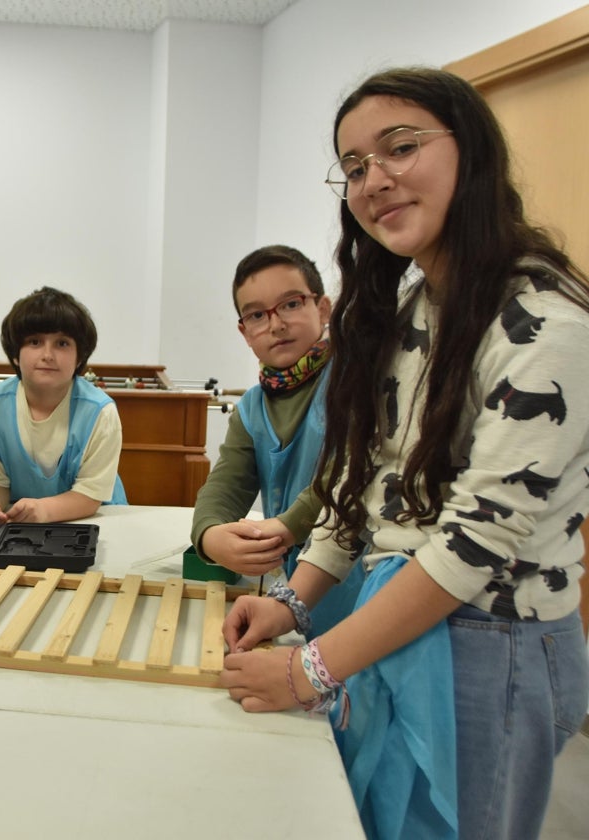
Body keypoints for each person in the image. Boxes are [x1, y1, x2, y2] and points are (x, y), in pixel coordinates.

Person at [220, 68, 589, 840]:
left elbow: (474, 544)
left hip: (494, 645)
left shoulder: (549, 321)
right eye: (353, 167)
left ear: (472, 152)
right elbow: (361, 486)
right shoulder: (404, 308)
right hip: (396, 621)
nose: (374, 181)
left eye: (399, 148)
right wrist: (294, 602)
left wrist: (306, 667)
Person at [190, 245, 363, 636]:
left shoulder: (355, 383)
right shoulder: (252, 406)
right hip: (297, 601)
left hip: (362, 592)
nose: (276, 324)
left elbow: (347, 474)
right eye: (256, 315)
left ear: (322, 308)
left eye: (290, 304)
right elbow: (225, 485)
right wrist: (209, 534)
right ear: (244, 332)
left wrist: (287, 526)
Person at [0, 286, 126, 523]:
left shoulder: (101, 411)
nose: (47, 354)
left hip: (97, 521)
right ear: (15, 354)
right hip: (22, 527)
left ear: (80, 356)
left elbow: (89, 497)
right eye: (34, 342)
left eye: (62, 343)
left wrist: (43, 510)